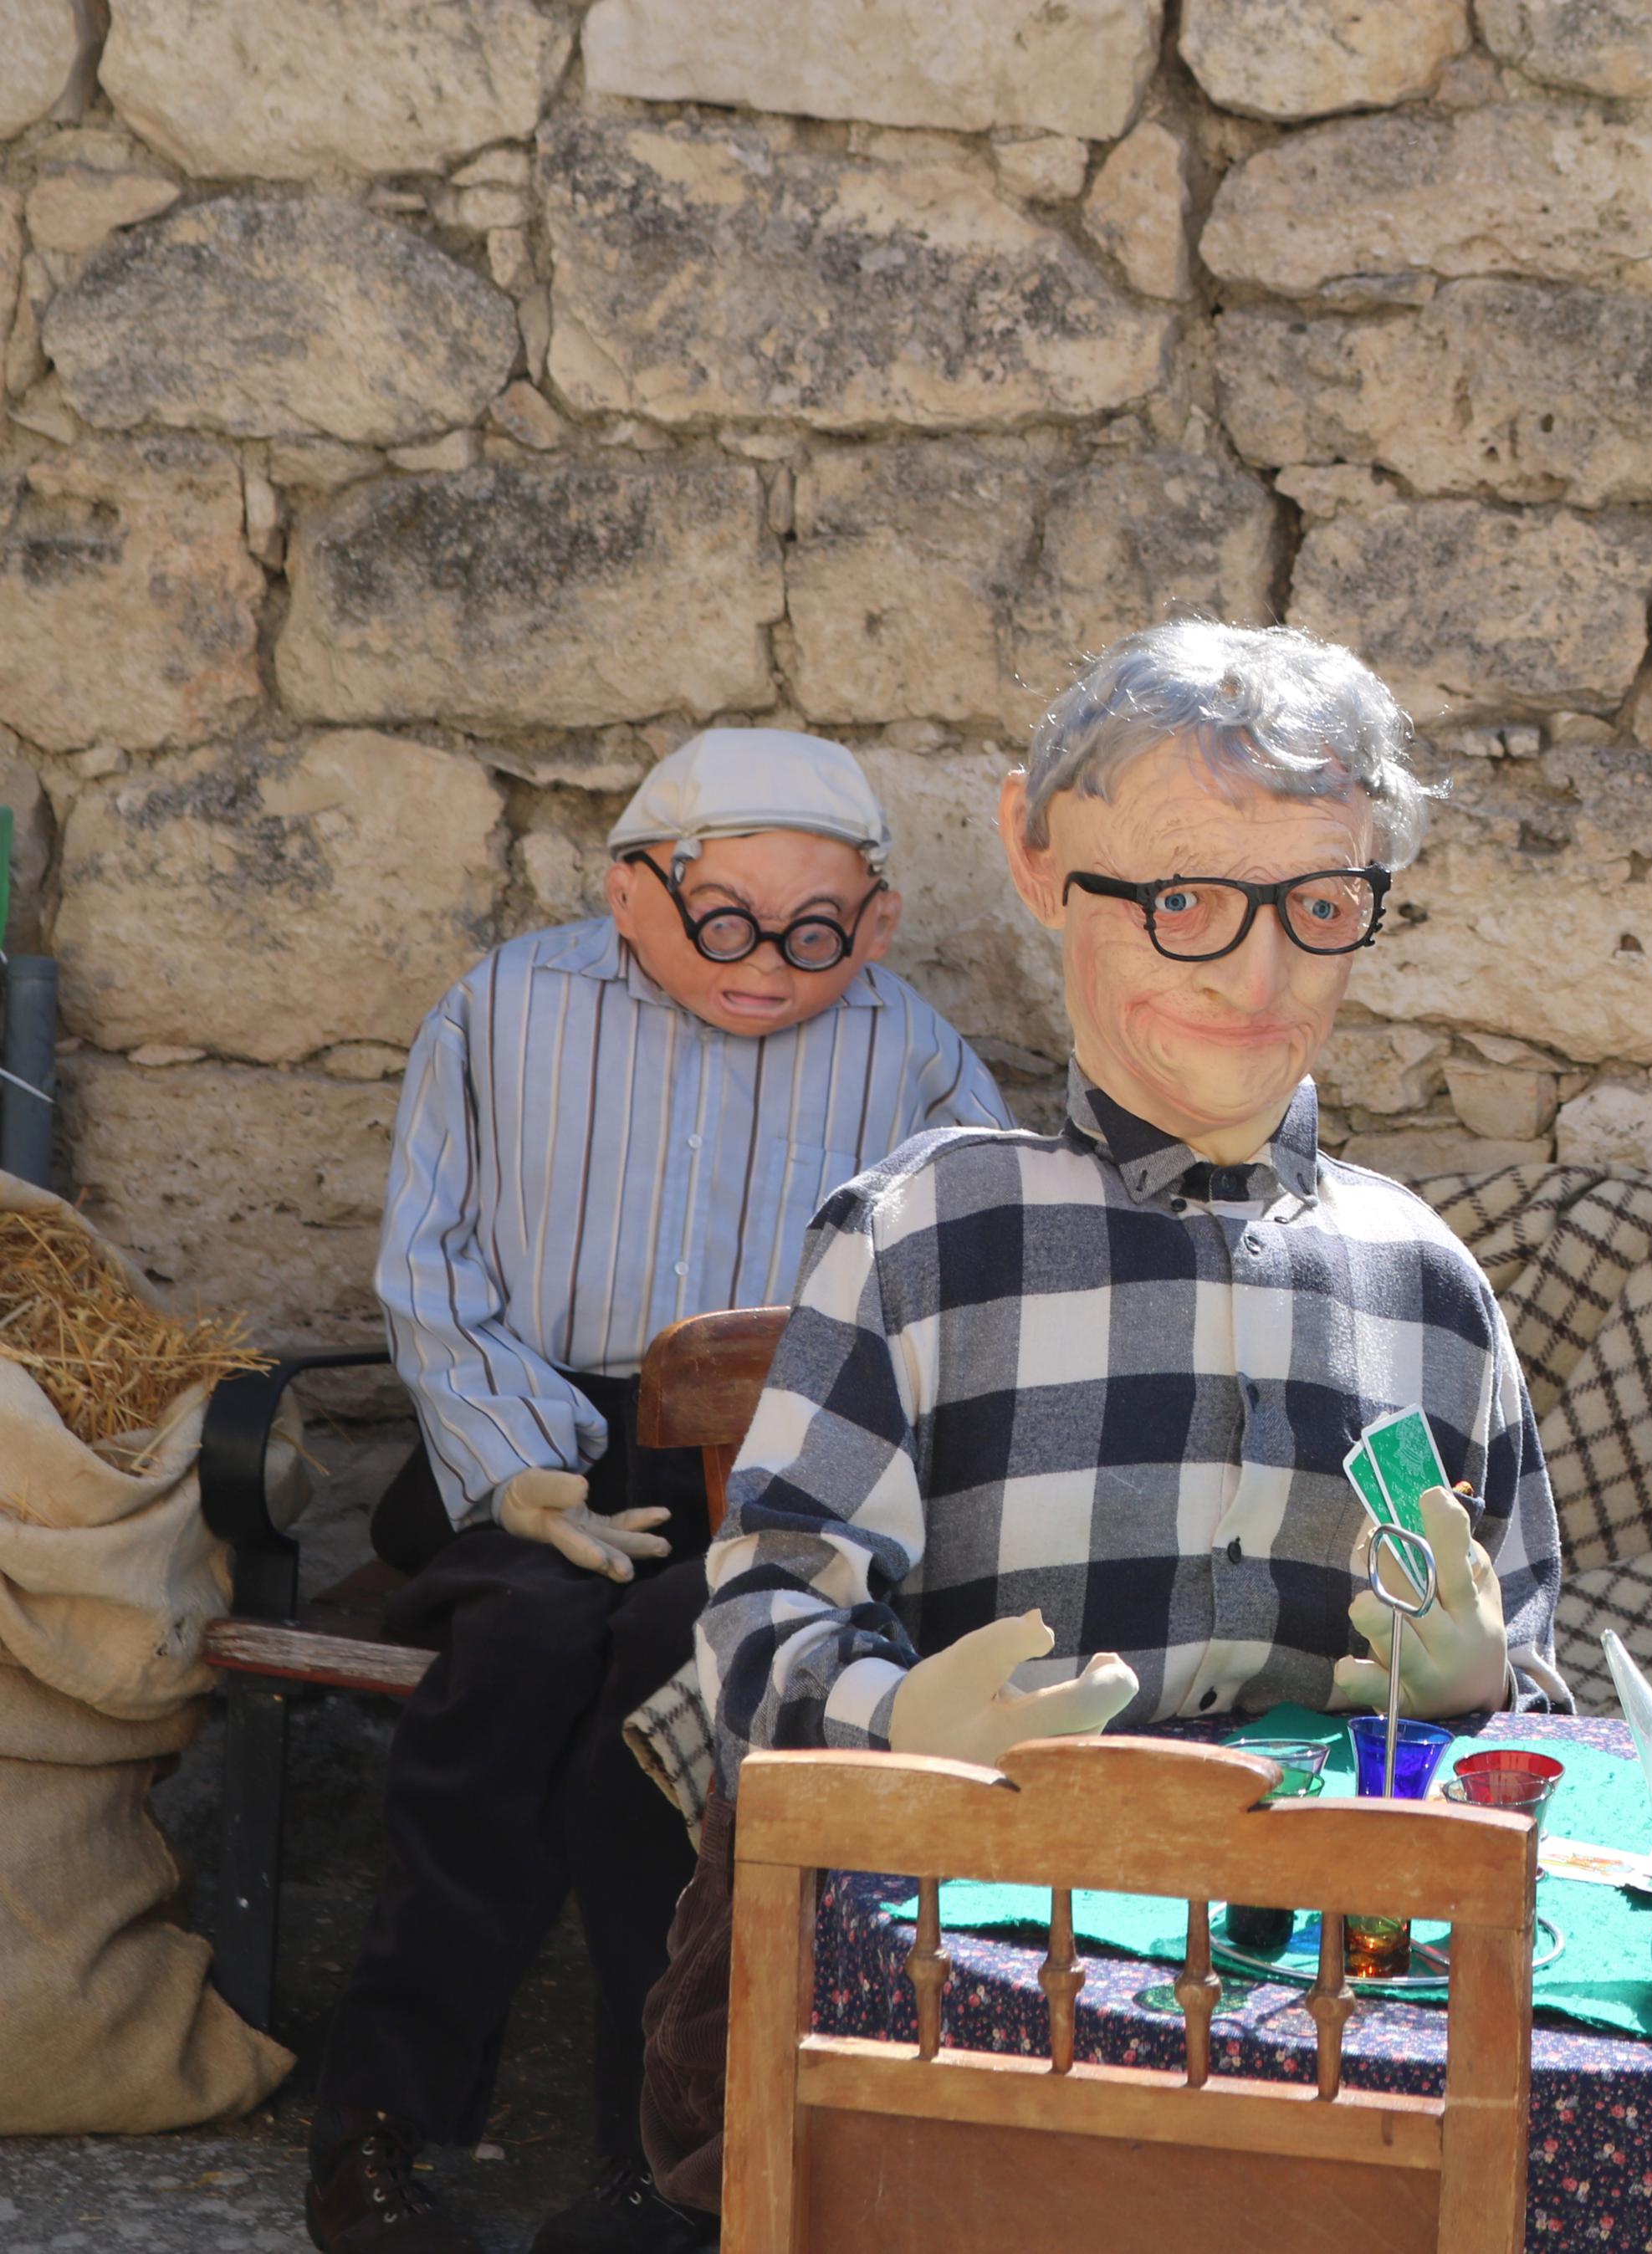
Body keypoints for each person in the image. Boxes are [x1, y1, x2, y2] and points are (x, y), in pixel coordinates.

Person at [636, 619, 1565, 2210]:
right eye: (1186, 902)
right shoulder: (927, 1235)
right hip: (968, 2004)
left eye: (1320, 907)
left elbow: (1535, 1704)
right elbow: (761, 1630)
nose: (1258, 976)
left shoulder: (1426, 1285)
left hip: (1324, 2039)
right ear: (1041, 859)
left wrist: (1482, 1694)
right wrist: (905, 1727)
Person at [309, 731, 1012, 2254]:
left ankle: (665, 2155)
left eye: (816, 932)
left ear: (875, 924)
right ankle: (380, 2117)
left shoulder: (914, 1053)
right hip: (544, 1450)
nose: (769, 961)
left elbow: (957, 1295)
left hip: (776, 1475)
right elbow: (432, 1270)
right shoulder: (504, 1010)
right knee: (518, 1656)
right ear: (635, 891)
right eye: (724, 919)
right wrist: (514, 1472)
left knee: (693, 1675)